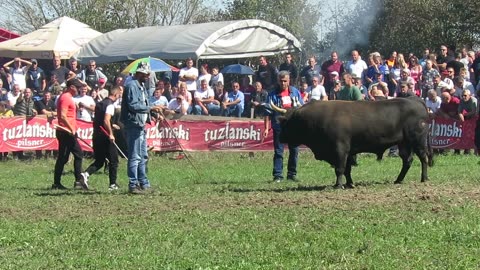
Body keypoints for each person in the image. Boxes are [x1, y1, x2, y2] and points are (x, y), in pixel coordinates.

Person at [120, 62, 163, 193]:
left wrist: (153, 114)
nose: (148, 76)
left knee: (143, 155)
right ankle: (133, 184)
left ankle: (143, 182)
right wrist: (151, 108)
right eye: (145, 74)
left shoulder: (142, 86)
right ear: (139, 73)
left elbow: (144, 104)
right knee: (135, 156)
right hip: (133, 124)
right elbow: (133, 105)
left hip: (141, 124)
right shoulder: (131, 86)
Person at [264, 70, 304, 182]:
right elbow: (267, 112)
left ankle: (292, 174)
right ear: (278, 81)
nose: (283, 83)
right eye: (281, 81)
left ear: (289, 80)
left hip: (293, 127)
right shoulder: (272, 95)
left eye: (285, 81)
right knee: (278, 151)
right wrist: (266, 128)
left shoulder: (295, 92)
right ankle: (278, 175)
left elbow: (302, 108)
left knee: (294, 150)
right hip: (279, 126)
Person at [80, 87, 123, 191]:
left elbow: (100, 117)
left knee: (100, 160)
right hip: (105, 136)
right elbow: (106, 120)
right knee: (114, 160)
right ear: (116, 95)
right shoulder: (110, 105)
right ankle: (113, 184)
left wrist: (112, 125)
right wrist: (111, 133)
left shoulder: (100, 103)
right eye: (119, 95)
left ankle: (85, 174)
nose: (119, 98)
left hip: (96, 135)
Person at [52, 78, 88, 190]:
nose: (79, 89)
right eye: (78, 87)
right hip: (66, 131)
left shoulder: (68, 98)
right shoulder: (65, 98)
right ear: (72, 87)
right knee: (79, 153)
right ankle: (78, 181)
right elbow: (62, 116)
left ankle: (56, 183)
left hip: (65, 131)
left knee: (63, 157)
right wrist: (71, 128)